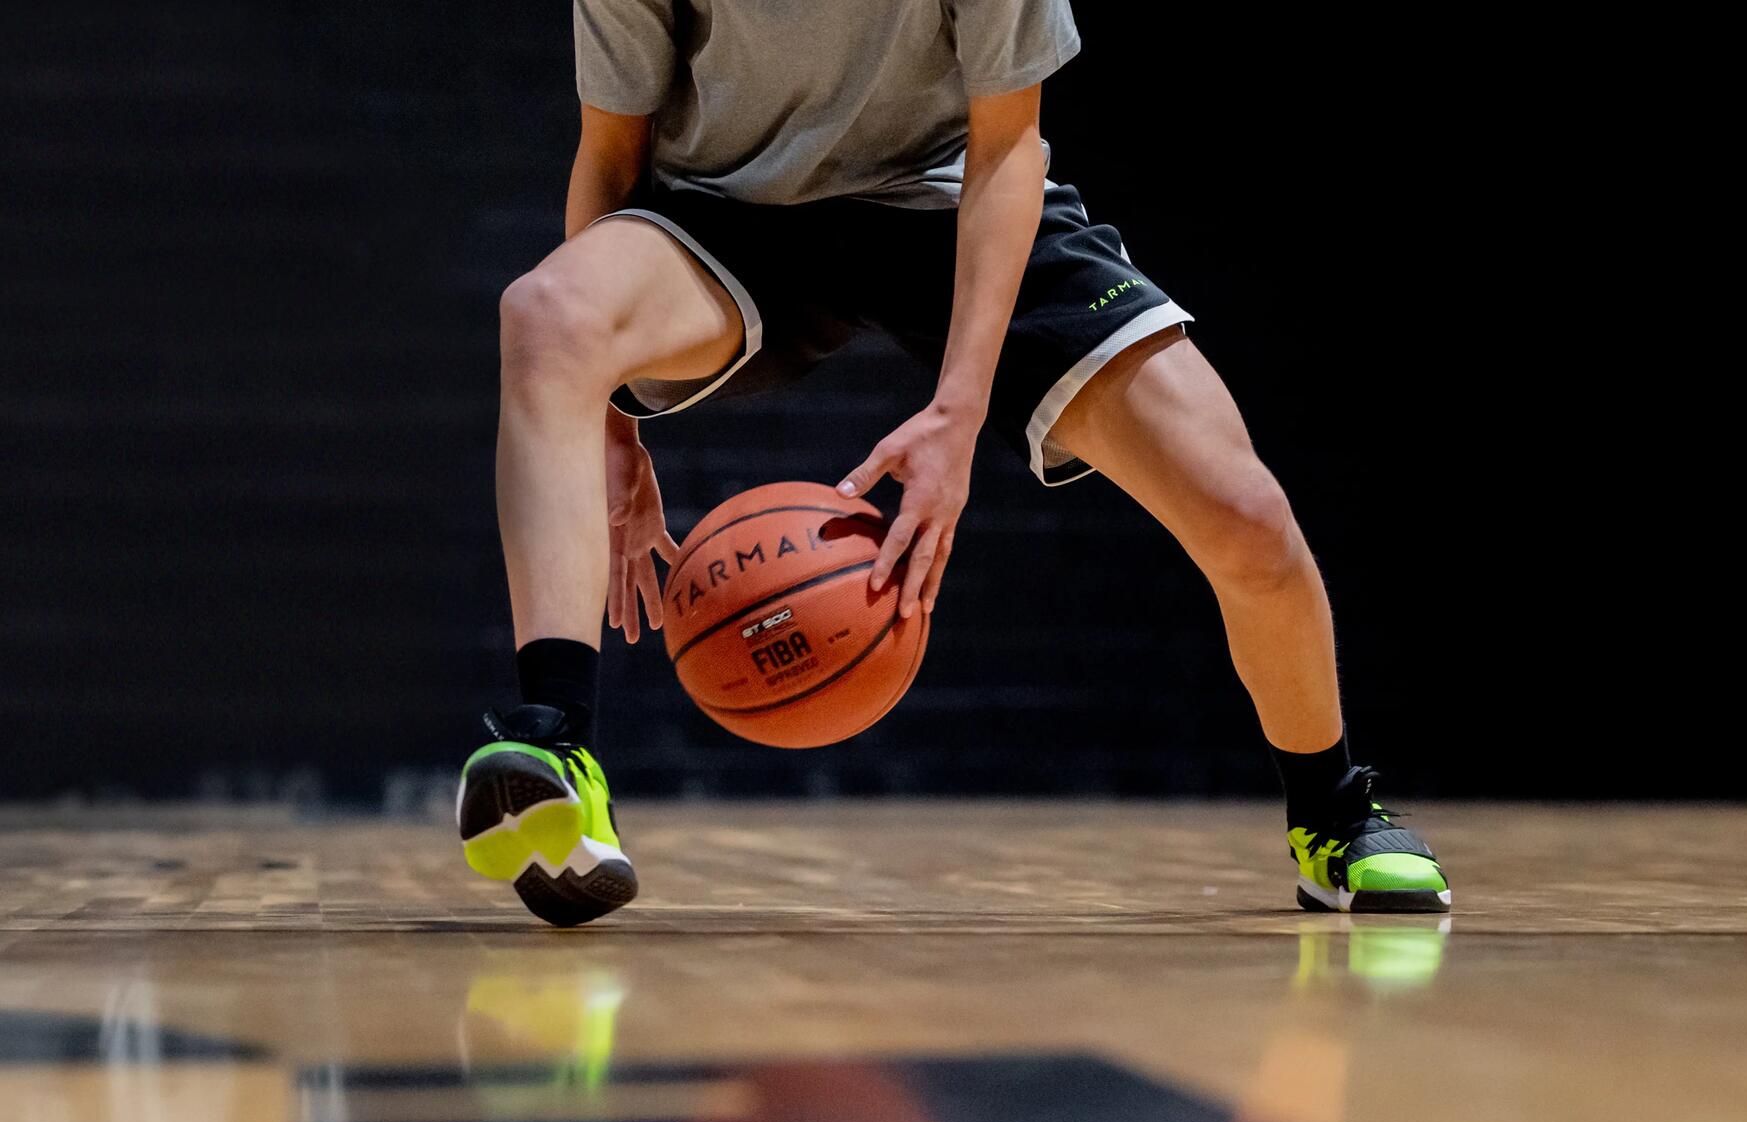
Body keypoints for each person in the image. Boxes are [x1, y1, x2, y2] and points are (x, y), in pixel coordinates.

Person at [456, 0, 1451, 927]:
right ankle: (555, 742)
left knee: (1244, 513)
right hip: (727, 212)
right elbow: (612, 152)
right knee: (545, 316)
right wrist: (610, 422)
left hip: (949, 194)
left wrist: (959, 411)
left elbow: (1008, 142)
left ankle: (1333, 812)